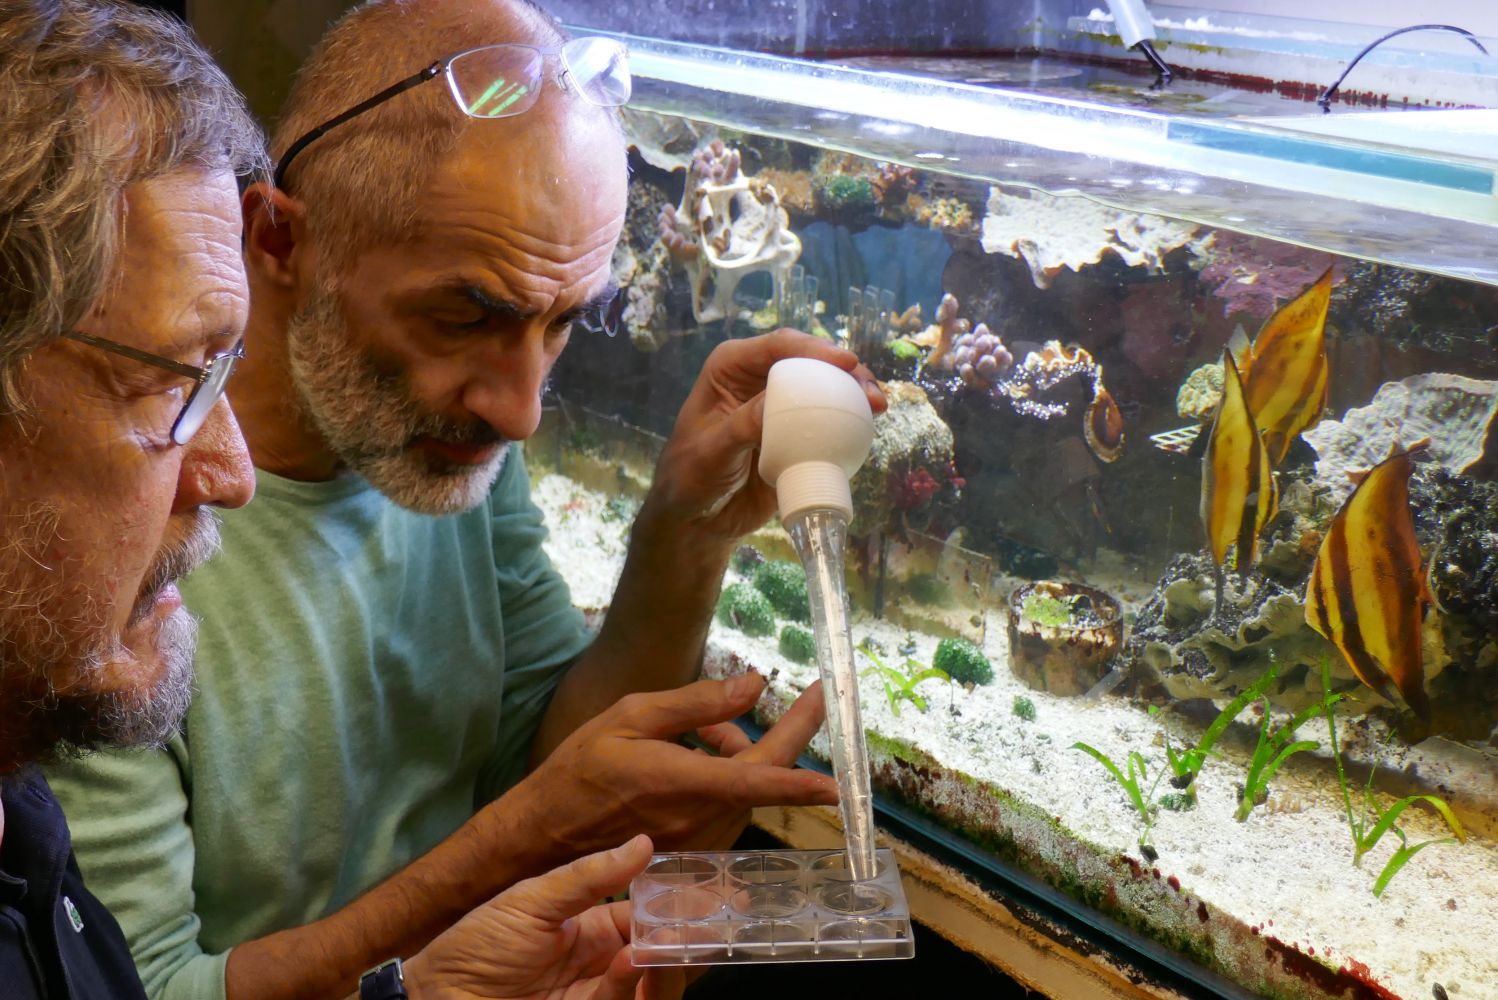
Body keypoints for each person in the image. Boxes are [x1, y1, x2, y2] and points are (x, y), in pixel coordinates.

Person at [47, 0, 885, 998]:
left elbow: (542, 745)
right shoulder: (113, 535)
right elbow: (135, 985)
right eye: (465, 315)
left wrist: (686, 527)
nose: (522, 408)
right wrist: (517, 844)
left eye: (563, 323)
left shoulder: (441, 432)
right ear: (276, 240)